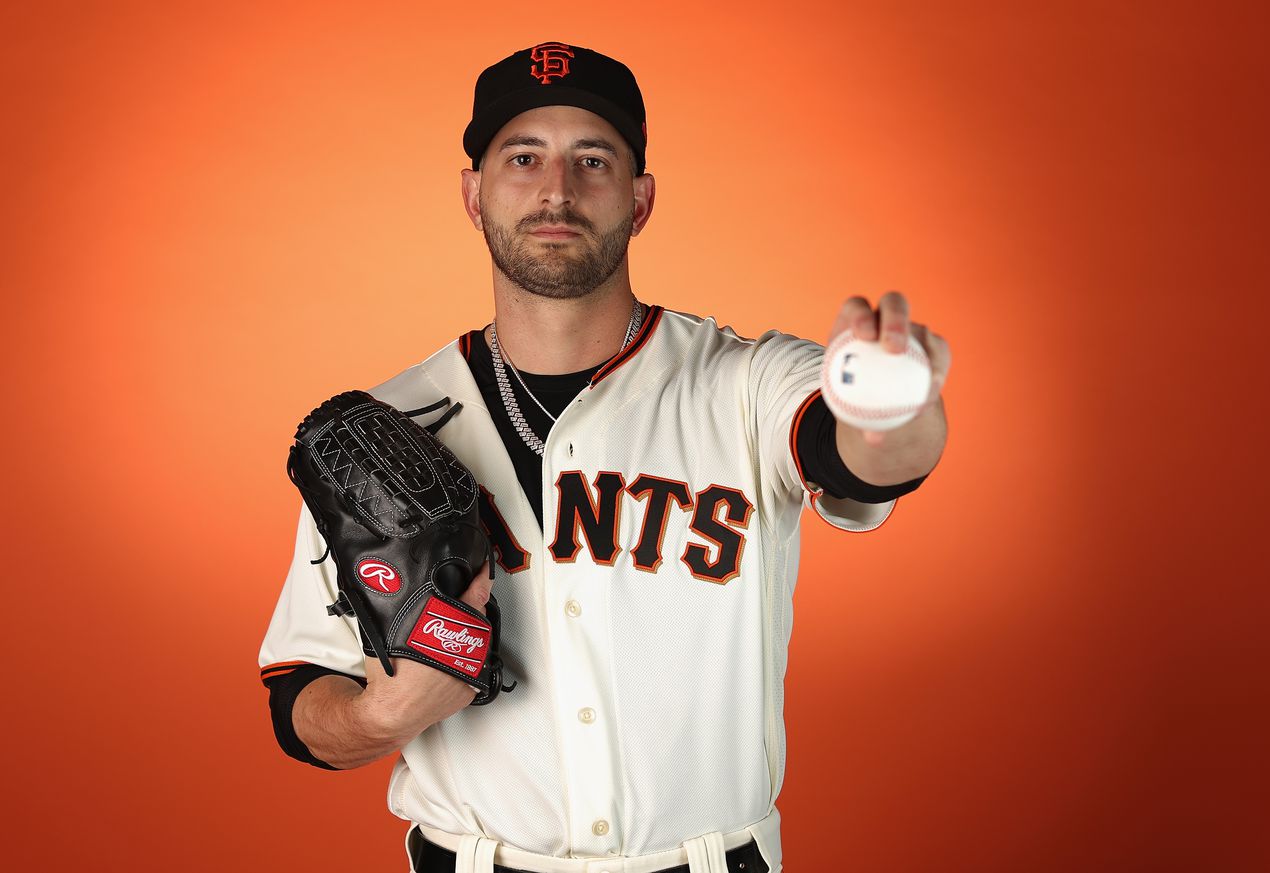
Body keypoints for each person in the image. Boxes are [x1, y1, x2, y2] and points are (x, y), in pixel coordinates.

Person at [259, 41, 950, 873]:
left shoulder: (742, 383)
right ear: (475, 195)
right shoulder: (382, 435)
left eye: (594, 158)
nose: (557, 190)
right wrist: (383, 716)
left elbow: (860, 453)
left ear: (640, 198)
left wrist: (891, 409)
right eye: (524, 158)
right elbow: (300, 692)